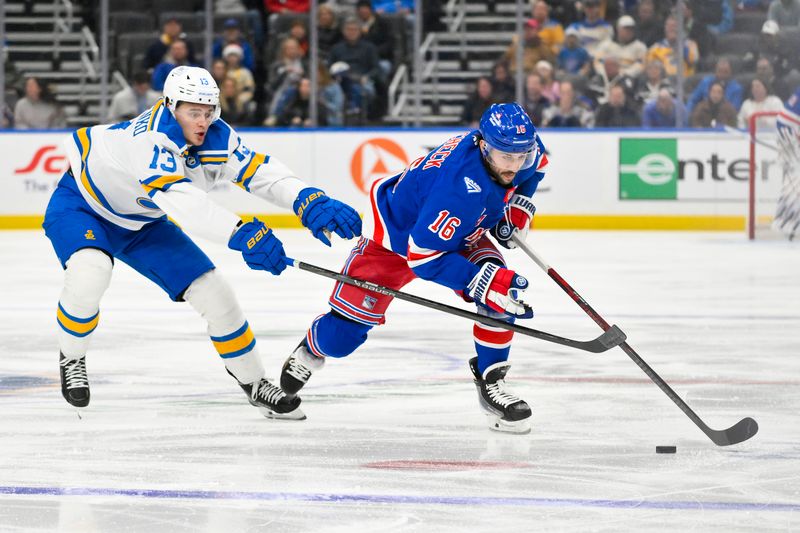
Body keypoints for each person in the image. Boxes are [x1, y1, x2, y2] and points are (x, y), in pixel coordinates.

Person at [43, 66, 361, 417]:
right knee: (92, 270)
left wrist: (307, 198)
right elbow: (183, 202)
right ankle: (72, 355)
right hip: (82, 205)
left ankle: (255, 384)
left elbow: (260, 171)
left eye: (208, 112)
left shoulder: (216, 137)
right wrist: (241, 232)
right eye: (193, 112)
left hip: (142, 219)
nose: (202, 121)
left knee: (215, 292)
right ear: (169, 106)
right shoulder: (151, 138)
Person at [274, 103, 548, 434]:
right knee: (342, 338)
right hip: (395, 243)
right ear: (484, 145)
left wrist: (520, 205)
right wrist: (479, 280)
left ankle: (492, 383)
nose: (515, 165)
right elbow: (422, 256)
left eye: (521, 156)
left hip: (460, 232)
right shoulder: (457, 187)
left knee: (502, 293)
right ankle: (311, 348)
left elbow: (538, 162)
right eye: (507, 157)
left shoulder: (518, 149)